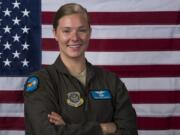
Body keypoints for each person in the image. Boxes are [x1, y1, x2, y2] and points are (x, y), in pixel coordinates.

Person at [24, 3, 138, 135]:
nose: (75, 38)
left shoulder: (111, 81)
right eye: (66, 31)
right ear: (55, 34)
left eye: (81, 30)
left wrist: (67, 128)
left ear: (89, 32)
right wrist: (103, 128)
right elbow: (45, 132)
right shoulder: (42, 82)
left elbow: (129, 131)